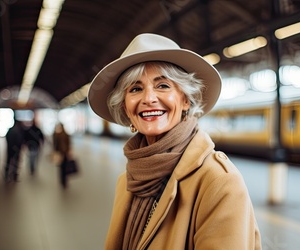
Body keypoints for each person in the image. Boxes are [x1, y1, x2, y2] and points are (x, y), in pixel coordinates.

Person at [88, 33, 261, 249]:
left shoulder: (218, 181)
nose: (148, 98)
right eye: (135, 89)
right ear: (125, 107)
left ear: (186, 100)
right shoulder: (127, 180)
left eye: (163, 86)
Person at [52, 122, 71, 188]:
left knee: (62, 167)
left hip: (62, 153)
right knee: (63, 167)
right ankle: (64, 181)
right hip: (63, 153)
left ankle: (63, 180)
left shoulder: (59, 135)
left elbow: (55, 144)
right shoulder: (63, 134)